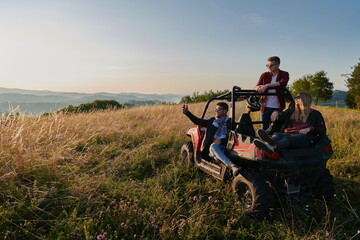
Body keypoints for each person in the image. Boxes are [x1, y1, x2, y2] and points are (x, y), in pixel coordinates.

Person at [253, 92, 327, 154]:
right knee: (277, 135)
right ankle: (266, 144)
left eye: (298, 97)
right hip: (288, 134)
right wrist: (276, 111)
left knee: (288, 139)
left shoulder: (315, 113)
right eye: (295, 97)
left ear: (305, 99)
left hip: (305, 137)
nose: (295, 99)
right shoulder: (292, 111)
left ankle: (274, 147)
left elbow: (322, 129)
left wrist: (310, 128)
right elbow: (281, 117)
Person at [182, 102, 240, 176]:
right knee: (213, 146)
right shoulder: (212, 121)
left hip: (226, 146)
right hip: (212, 148)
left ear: (225, 111)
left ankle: (221, 159)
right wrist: (187, 112)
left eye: (218, 109)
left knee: (216, 146)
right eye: (215, 109)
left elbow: (233, 134)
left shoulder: (229, 122)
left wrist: (221, 140)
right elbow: (198, 121)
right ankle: (232, 166)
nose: (216, 111)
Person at [254, 56, 289, 130]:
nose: (269, 67)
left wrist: (267, 86)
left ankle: (274, 140)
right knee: (264, 129)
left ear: (278, 65)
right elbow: (255, 87)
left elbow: (283, 83)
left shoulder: (284, 74)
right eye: (267, 65)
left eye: (271, 65)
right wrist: (259, 88)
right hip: (265, 107)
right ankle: (263, 141)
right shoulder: (264, 75)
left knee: (276, 128)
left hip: (277, 107)